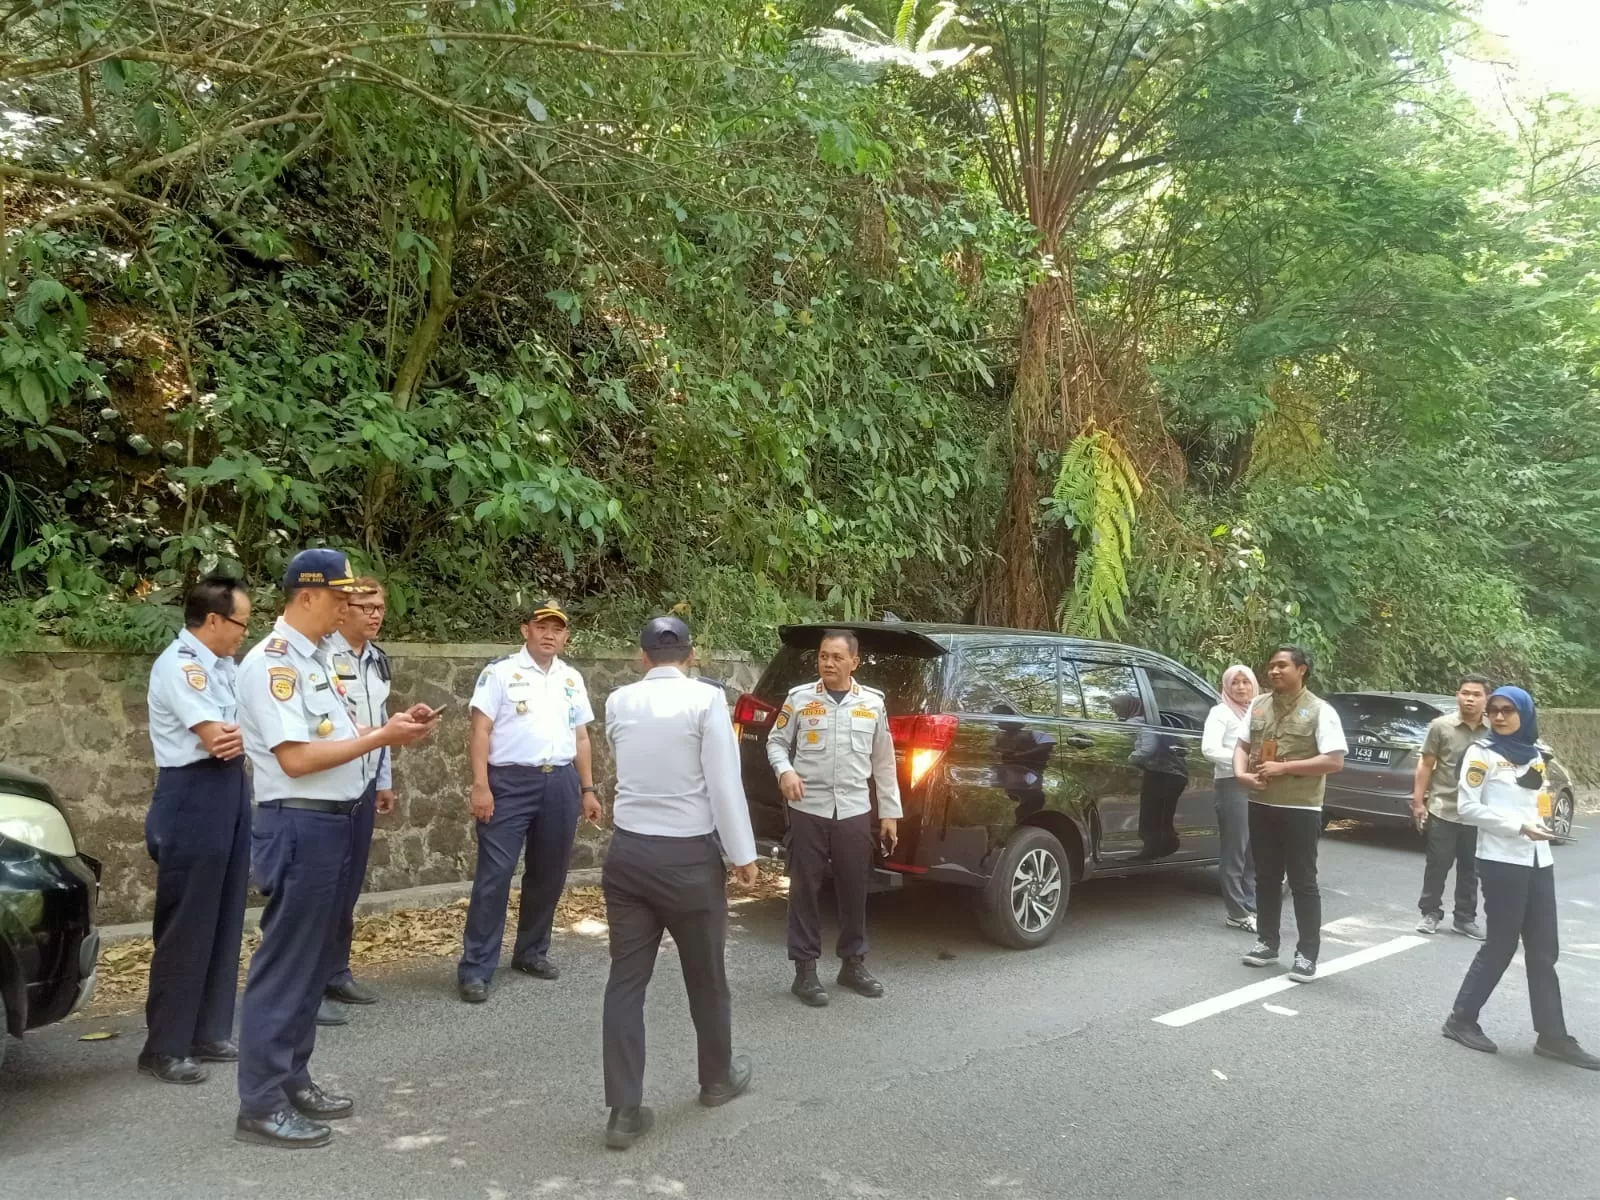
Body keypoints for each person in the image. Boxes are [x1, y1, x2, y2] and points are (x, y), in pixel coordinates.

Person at [233, 550, 438, 1148]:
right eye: (341, 597)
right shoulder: (273, 664)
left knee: (314, 960)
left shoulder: (320, 660)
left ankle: (292, 1077)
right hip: (300, 823)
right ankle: (260, 1104)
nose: (351, 607)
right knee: (287, 963)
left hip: (335, 821)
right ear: (306, 596)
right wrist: (383, 735)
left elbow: (343, 737)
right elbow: (295, 759)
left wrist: (396, 727)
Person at [600, 615, 759, 1149]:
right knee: (707, 976)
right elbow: (723, 783)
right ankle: (716, 1079)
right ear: (691, 656)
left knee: (626, 982)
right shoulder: (706, 701)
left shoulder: (618, 701)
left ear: (641, 657)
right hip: (688, 858)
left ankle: (624, 1110)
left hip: (628, 854)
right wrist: (743, 855)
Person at [1442, 686, 1599, 1070]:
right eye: (1493, 710)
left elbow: (1535, 800)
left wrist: (1541, 827)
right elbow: (1467, 807)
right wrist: (1518, 828)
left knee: (1545, 951)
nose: (1498, 717)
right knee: (1500, 944)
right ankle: (1460, 1019)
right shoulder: (1481, 754)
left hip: (1537, 860)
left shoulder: (1536, 753)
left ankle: (1552, 1036)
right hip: (1500, 859)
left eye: (1508, 711)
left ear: (1524, 714)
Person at [139, 573, 253, 1085]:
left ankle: (208, 1029)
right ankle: (164, 1045)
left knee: (227, 911)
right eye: (240, 623)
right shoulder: (181, 666)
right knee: (187, 921)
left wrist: (245, 735)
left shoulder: (223, 666)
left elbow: (242, 734)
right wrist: (246, 735)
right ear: (213, 620)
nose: (244, 633)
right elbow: (217, 738)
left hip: (229, 789)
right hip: (192, 793)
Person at [458, 600, 600, 1003]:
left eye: (557, 629)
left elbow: (582, 738)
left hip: (560, 783)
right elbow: (480, 730)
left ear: (566, 636)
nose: (549, 634)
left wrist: (587, 789)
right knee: (495, 876)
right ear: (526, 630)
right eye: (542, 627)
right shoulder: (500, 673)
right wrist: (480, 785)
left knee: (549, 874)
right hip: (509, 783)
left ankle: (531, 952)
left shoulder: (572, 678)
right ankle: (476, 968)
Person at [767, 628, 900, 1007]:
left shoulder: (872, 704)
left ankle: (852, 964)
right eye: (823, 655)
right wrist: (785, 771)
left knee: (854, 887)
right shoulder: (800, 699)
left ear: (854, 662)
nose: (828, 662)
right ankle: (805, 970)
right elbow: (776, 742)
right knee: (805, 888)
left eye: (836, 657)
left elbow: (884, 761)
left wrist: (890, 812)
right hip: (808, 808)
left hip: (855, 810)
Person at [1233, 645, 1346, 983]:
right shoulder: (1258, 705)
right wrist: (1241, 774)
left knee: (1302, 882)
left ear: (1302, 670)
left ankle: (1307, 954)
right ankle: (1267, 943)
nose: (1275, 671)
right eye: (1271, 666)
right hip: (1261, 802)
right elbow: (1241, 746)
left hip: (1301, 807)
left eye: (1282, 666)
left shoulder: (1320, 711)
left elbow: (1334, 760)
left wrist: (1285, 768)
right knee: (1265, 877)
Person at [317, 577, 395, 1026]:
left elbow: (380, 723)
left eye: (379, 606)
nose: (374, 613)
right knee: (321, 889)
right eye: (365, 606)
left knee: (348, 887)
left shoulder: (378, 661)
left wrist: (383, 779)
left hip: (362, 786)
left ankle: (337, 971)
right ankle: (308, 984)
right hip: (328, 786)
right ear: (342, 609)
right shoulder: (321, 657)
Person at [1412, 675, 1491, 940]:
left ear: (1486, 699)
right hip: (1443, 807)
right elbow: (1426, 764)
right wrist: (1418, 801)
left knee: (1471, 869)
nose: (1469, 698)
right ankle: (1430, 913)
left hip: (1479, 814)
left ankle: (1465, 918)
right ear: (1457, 695)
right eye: (1465, 693)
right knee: (1437, 865)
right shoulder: (1441, 727)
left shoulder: (1494, 731)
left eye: (1476, 694)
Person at [1201, 664, 1259, 932]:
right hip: (1232, 783)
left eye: (1245, 682)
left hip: (1258, 784)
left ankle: (1251, 903)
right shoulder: (1220, 712)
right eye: (1235, 683)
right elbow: (1209, 749)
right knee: (1235, 849)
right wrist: (1241, 764)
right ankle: (1236, 911)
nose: (1241, 687)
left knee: (1254, 848)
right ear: (1226, 686)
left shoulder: (1258, 712)